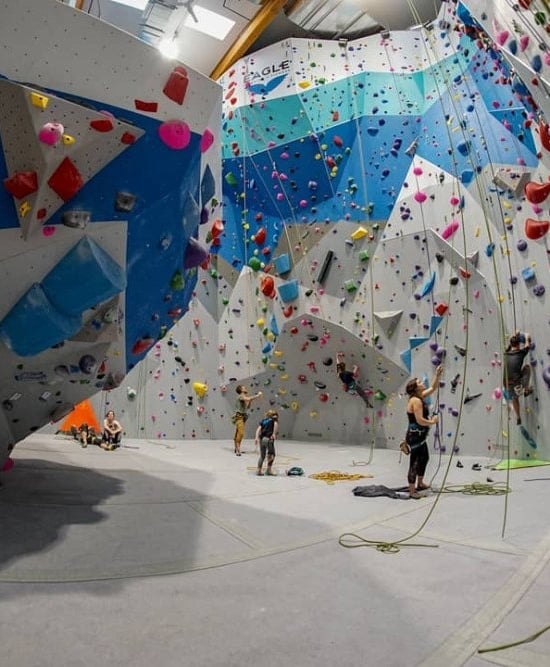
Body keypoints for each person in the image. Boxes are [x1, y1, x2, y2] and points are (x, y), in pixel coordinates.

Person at [403, 365, 443, 499]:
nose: (422, 383)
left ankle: (420, 483)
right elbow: (420, 420)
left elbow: (433, 388)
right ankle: (412, 489)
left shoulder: (419, 396)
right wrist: (432, 421)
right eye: (419, 382)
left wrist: (437, 375)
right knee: (415, 461)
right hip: (415, 436)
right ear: (415, 388)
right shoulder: (416, 401)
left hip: (420, 436)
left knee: (424, 458)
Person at [503, 331, 533, 425]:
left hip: (507, 384)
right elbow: (527, 345)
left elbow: (510, 345)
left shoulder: (506, 353)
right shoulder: (520, 353)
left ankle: (518, 417)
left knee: (514, 399)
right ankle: (526, 390)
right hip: (517, 385)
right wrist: (527, 336)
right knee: (527, 368)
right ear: (519, 345)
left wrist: (515, 336)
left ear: (511, 344)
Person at [232, 385, 262, 456]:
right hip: (238, 417)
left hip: (243, 417)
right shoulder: (240, 396)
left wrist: (250, 401)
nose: (245, 388)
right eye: (244, 388)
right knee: (241, 433)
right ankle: (238, 449)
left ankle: (236, 448)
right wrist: (257, 395)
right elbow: (247, 398)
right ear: (241, 390)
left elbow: (247, 407)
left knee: (238, 432)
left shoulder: (243, 397)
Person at [254, 409, 279, 476]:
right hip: (268, 439)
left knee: (262, 456)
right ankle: (269, 470)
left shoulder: (263, 421)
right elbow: (274, 431)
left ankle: (259, 470)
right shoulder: (274, 421)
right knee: (272, 455)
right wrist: (274, 434)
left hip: (262, 439)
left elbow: (258, 429)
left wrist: (256, 437)